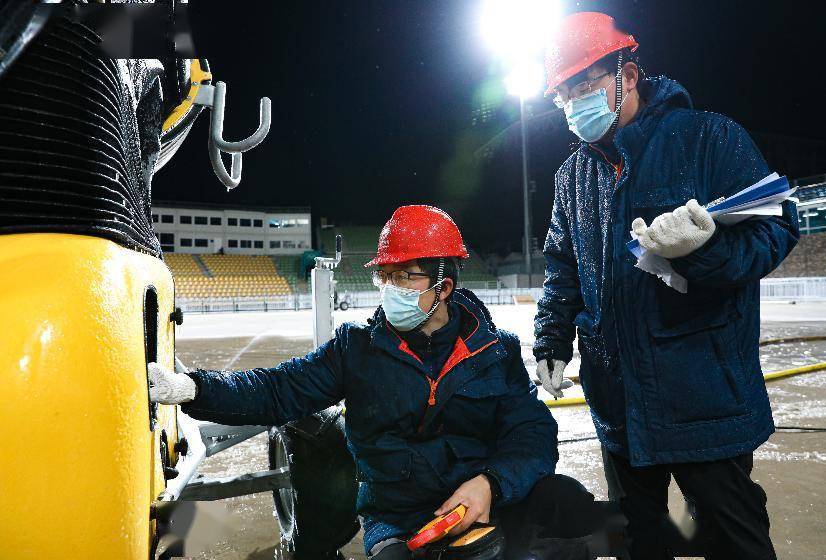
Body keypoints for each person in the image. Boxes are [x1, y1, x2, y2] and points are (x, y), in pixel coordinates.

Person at [148, 205, 615, 559]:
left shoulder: (497, 350)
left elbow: (532, 435)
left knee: (570, 506)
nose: (391, 287)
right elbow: (278, 389)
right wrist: (196, 389)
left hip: (487, 500)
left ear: (444, 286)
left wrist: (491, 485)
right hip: (399, 518)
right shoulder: (355, 350)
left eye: (404, 276)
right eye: (384, 276)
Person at [534, 11, 798, 560]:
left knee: (733, 540)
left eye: (584, 86)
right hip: (618, 400)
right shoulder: (572, 177)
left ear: (626, 76)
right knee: (638, 542)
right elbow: (563, 270)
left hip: (703, 397)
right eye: (563, 96)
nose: (572, 105)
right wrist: (551, 342)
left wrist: (704, 252)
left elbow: (776, 229)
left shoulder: (709, 138)